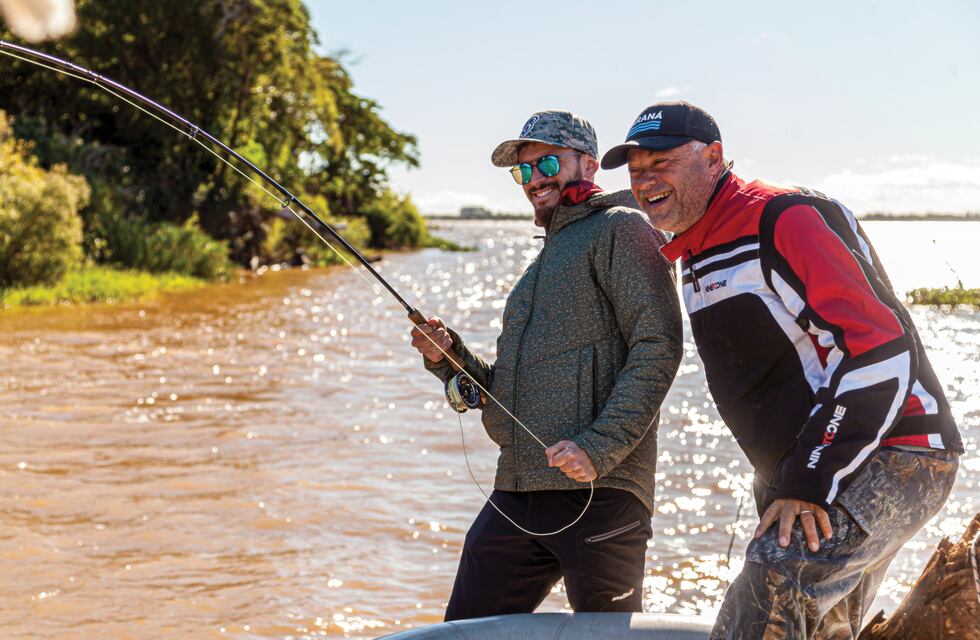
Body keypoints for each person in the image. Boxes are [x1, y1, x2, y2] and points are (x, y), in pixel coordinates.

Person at [602, 101, 963, 639]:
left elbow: (880, 349)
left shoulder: (783, 217)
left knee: (774, 583)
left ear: (714, 158)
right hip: (807, 469)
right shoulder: (695, 248)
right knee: (824, 629)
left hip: (896, 453)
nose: (645, 180)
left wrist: (808, 479)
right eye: (636, 171)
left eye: (662, 163)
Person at [410, 110, 682, 620]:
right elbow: (504, 394)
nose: (535, 180)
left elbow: (659, 346)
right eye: (524, 171)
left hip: (602, 494)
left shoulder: (622, 229)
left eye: (548, 162)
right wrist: (449, 360)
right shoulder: (542, 260)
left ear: (589, 163)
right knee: (463, 632)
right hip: (516, 490)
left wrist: (598, 449)